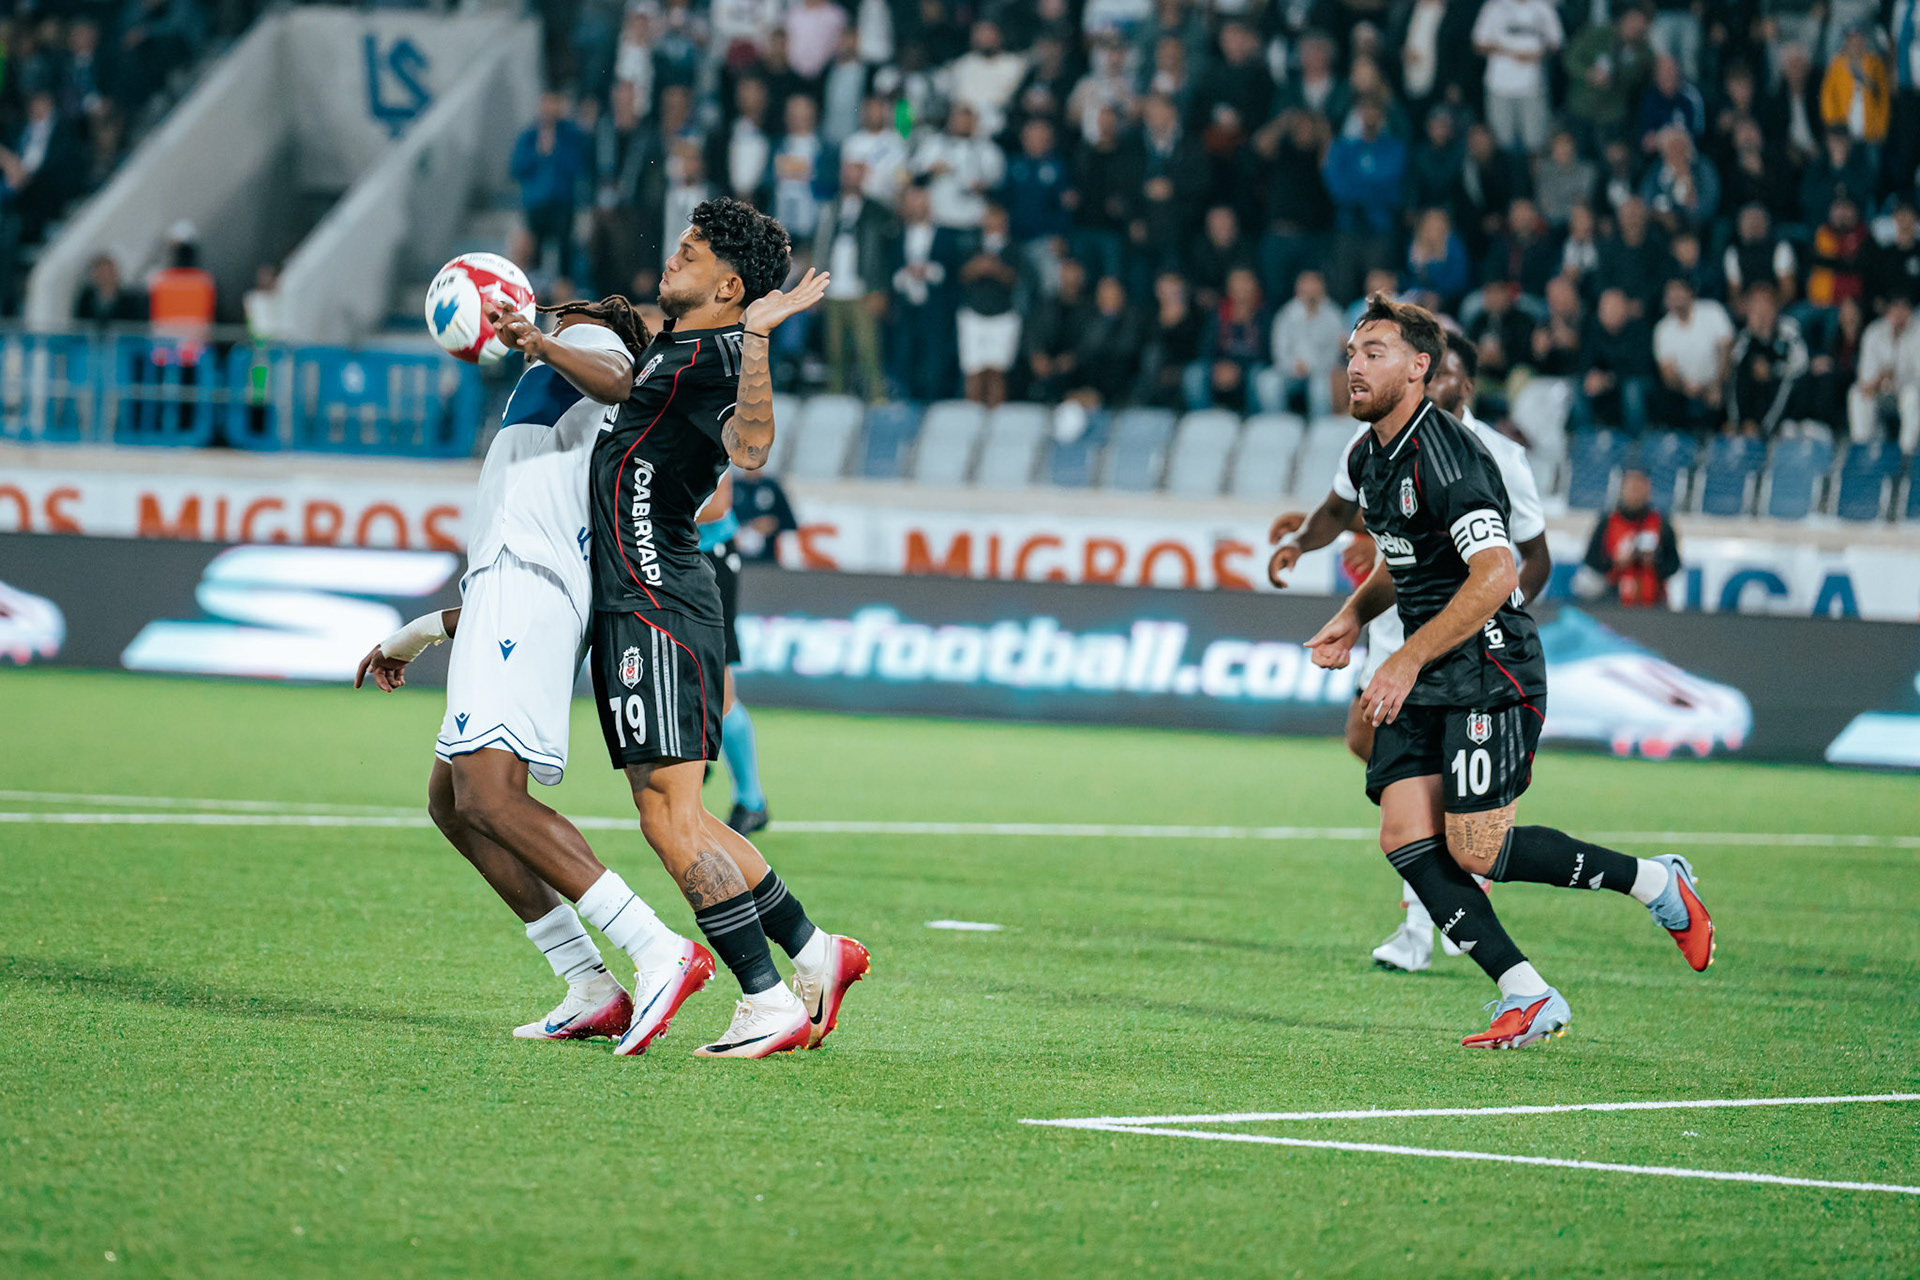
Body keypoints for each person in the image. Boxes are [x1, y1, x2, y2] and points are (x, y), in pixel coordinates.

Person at [499, 197, 868, 1059]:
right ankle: (815, 953)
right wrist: (545, 340)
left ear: (729, 284)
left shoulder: (728, 349)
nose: (674, 257)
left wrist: (765, 336)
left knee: (669, 819)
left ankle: (765, 998)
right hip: (643, 597)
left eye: (693, 252)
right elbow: (629, 389)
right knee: (679, 811)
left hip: (657, 596)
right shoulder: (682, 343)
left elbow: (750, 449)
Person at [1302, 295, 1714, 1047]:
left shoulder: (1454, 456)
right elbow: (1406, 562)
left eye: (1375, 353)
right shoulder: (1368, 456)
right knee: (1403, 833)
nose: (1355, 366)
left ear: (1420, 368)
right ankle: (1527, 994)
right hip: (1432, 664)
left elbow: (1495, 573)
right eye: (1353, 352)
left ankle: (1658, 882)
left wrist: (1405, 655)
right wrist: (1354, 617)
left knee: (1477, 848)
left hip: (1492, 662)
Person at [355, 297, 707, 1055]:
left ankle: (657, 949)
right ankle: (588, 982)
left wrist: (549, 338)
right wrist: (417, 634)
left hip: (527, 588)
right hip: (510, 591)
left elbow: (617, 372)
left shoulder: (590, 343)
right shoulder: (554, 395)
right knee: (452, 799)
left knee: (489, 793)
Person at [1269, 331, 1552, 974]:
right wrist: (1308, 546)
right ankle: (1449, 923)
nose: (1441, 385)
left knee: (1456, 826)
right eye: (1354, 357)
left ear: (1457, 382)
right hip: (1399, 640)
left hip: (1466, 651)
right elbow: (1348, 512)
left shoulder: (1498, 456)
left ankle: (1430, 928)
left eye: (1450, 374)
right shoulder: (1373, 444)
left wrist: (1495, 622)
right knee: (1369, 750)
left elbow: (1524, 559)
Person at [698, 470, 772, 834]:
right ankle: (694, 744)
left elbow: (716, 506)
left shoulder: (705, 415)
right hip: (661, 556)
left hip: (710, 556)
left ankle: (751, 800)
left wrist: (644, 510)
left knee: (719, 683)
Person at [1471, 0, 1563, 155]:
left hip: (1533, 86)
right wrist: (1510, 52)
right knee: (1501, 144)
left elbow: (1557, 42)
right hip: (1499, 86)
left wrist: (1540, 53)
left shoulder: (1544, 7)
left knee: (1536, 144)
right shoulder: (1494, 6)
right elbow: (1478, 44)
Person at [1579, 468, 1680, 607]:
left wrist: (1654, 562)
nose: (1635, 492)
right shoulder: (1608, 522)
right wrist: (1614, 562)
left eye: (1639, 487)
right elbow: (1591, 560)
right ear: (1622, 489)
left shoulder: (1660, 523)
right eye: (1631, 487)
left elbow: (1674, 564)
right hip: (1612, 598)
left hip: (1653, 599)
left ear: (1648, 489)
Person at [1652, 277, 1733, 434]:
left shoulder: (1712, 311)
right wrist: (1685, 387)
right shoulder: (1662, 329)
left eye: (1679, 291)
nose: (1676, 297)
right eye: (1671, 294)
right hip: (1686, 390)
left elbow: (1727, 351)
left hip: (1720, 382)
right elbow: (1667, 372)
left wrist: (1716, 384)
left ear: (1690, 292)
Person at [1849, 294, 1920, 452]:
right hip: (1881, 393)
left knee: (1911, 396)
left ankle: (1907, 453)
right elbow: (1864, 380)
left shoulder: (1918, 331)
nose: (1899, 312)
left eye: (1903, 307)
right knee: (1857, 394)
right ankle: (1862, 451)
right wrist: (1879, 380)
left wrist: (1897, 380)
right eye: (1895, 307)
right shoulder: (1874, 332)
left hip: (1909, 393)